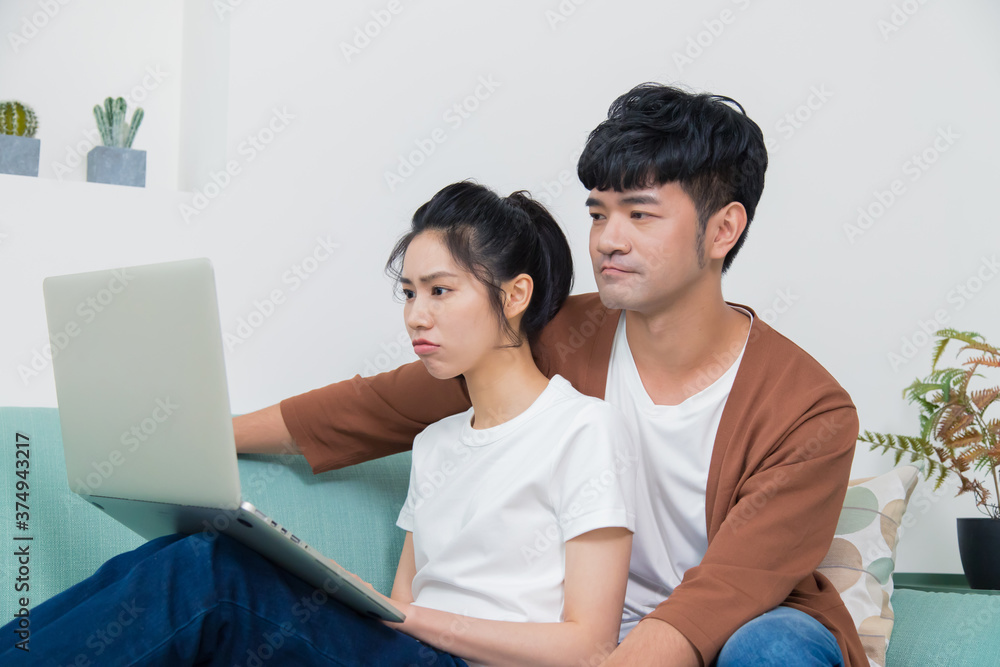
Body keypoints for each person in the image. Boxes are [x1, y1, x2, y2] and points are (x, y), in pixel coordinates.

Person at [238, 83, 868, 667]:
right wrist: (212, 438)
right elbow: (378, 406)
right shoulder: (559, 334)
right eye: (598, 214)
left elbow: (729, 587)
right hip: (575, 636)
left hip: (724, 636)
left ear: (723, 229)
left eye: (640, 215)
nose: (608, 241)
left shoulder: (811, 412)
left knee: (774, 644)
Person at [0, 182, 637, 666]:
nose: (416, 315)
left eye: (440, 291)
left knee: (214, 573)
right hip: (406, 652)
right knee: (182, 550)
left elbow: (588, 646)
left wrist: (407, 618)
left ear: (516, 295)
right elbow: (400, 604)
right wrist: (351, 596)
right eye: (408, 292)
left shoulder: (584, 430)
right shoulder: (437, 444)